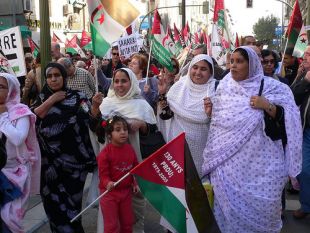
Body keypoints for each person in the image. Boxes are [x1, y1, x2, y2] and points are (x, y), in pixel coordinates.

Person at [202, 46, 302, 233]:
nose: (233, 66)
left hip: (263, 165)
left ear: (253, 64)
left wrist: (267, 106)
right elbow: (221, 123)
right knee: (228, 215)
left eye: (239, 62)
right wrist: (211, 113)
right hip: (228, 165)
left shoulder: (273, 87)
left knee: (265, 212)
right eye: (232, 61)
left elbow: (289, 119)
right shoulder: (224, 85)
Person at [33, 62, 97, 233]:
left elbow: (90, 121)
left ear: (64, 77)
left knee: (72, 209)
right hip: (49, 166)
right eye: (49, 76)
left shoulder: (79, 97)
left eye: (57, 75)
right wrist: (51, 100)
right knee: (53, 208)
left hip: (74, 165)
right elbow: (32, 120)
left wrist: (96, 110)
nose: (53, 79)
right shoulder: (41, 98)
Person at [94, 68, 157, 233]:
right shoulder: (106, 104)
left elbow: (154, 134)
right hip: (110, 168)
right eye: (116, 81)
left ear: (132, 82)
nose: (120, 85)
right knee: (111, 217)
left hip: (133, 165)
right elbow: (96, 132)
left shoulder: (142, 105)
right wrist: (95, 109)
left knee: (134, 211)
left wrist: (142, 125)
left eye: (124, 81)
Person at [157, 54, 216, 178]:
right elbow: (167, 115)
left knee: (199, 183)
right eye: (195, 67)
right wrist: (162, 95)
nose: (198, 72)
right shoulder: (179, 87)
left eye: (203, 69)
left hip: (203, 150)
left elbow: (221, 125)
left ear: (211, 72)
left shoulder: (216, 91)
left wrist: (211, 114)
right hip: (177, 148)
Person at [0, 72, 41, 232]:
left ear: (11, 89)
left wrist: (3, 115)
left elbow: (18, 138)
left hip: (16, 174)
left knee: (12, 220)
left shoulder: (21, 111)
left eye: (1, 87)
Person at [97, 115, 139, 233]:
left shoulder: (130, 149)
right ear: (109, 134)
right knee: (112, 226)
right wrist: (108, 182)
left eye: (125, 129)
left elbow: (135, 169)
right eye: (118, 129)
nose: (123, 132)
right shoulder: (105, 153)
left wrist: (134, 183)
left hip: (126, 192)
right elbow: (103, 175)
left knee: (127, 224)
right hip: (109, 194)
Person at [290, 45, 310, 219]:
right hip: (307, 132)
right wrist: (304, 80)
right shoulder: (305, 75)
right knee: (304, 170)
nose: (305, 56)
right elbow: (292, 97)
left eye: (309, 54)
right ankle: (306, 205)